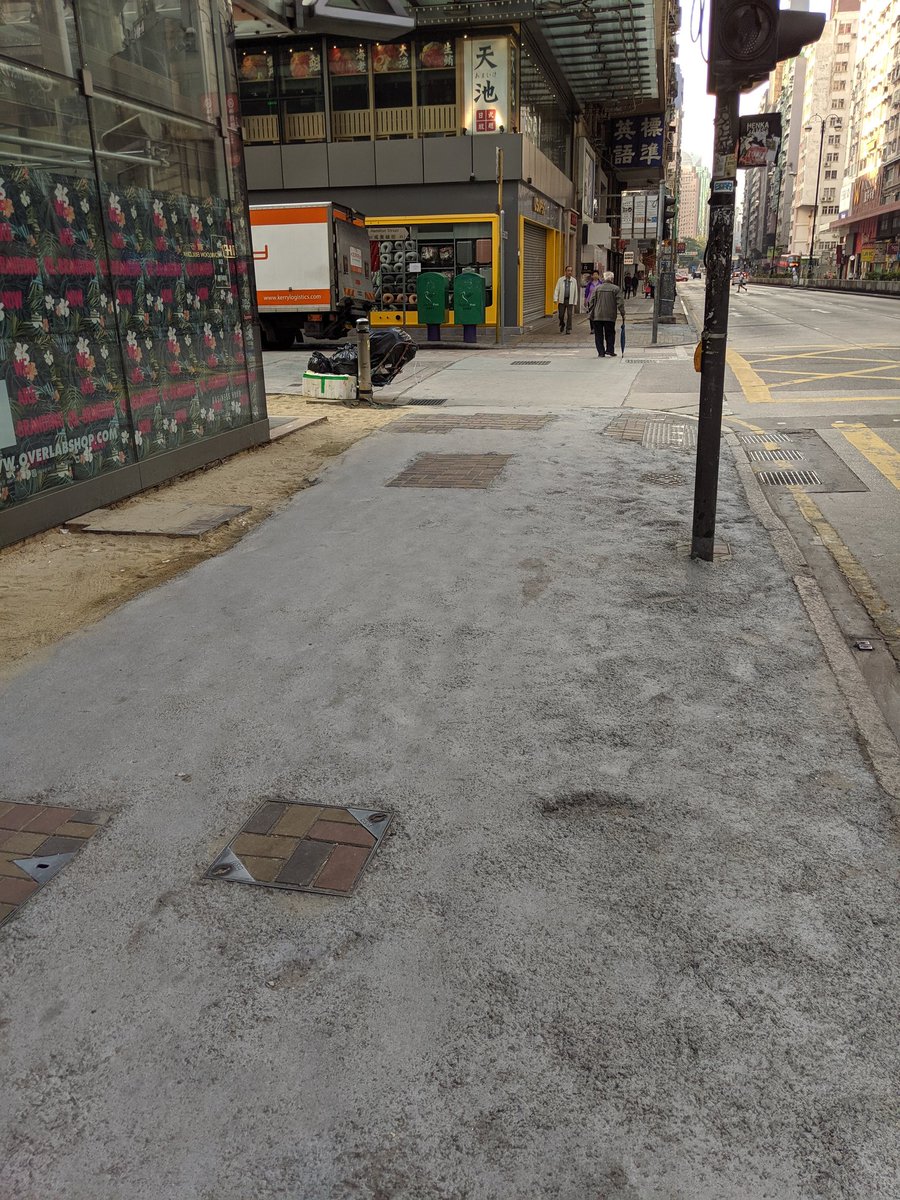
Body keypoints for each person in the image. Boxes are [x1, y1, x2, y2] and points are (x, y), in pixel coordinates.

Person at [586, 270, 625, 358]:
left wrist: (592, 311)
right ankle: (610, 350)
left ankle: (601, 352)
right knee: (610, 333)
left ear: (603, 278)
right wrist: (623, 313)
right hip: (610, 315)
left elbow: (591, 302)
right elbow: (620, 303)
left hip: (597, 315)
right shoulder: (616, 289)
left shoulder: (597, 288)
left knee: (598, 334)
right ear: (612, 279)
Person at [552, 265, 579, 334]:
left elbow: (576, 291)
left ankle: (568, 329)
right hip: (562, 300)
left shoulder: (574, 280)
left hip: (569, 300)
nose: (570, 272)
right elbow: (557, 289)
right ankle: (562, 324)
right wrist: (555, 298)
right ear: (565, 271)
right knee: (561, 315)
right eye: (568, 271)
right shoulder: (560, 280)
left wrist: (575, 302)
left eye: (571, 271)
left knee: (569, 315)